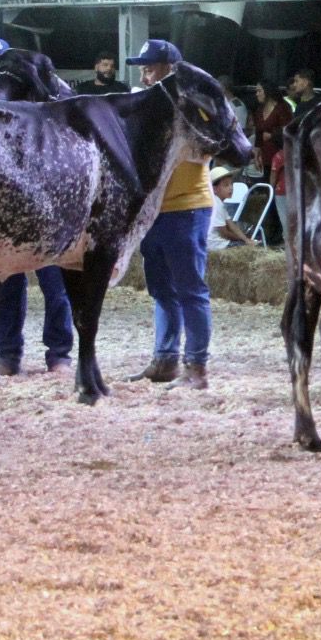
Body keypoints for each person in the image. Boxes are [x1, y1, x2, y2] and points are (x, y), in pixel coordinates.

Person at [125, 38, 214, 390]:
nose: (145, 73)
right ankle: (165, 360)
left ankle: (197, 366)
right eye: (144, 67)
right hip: (156, 209)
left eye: (150, 66)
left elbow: (206, 148)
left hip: (187, 205)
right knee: (162, 289)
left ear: (170, 69)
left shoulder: (196, 105)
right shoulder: (144, 105)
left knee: (190, 288)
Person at [250, 81, 293, 178]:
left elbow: (289, 130)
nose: (257, 94)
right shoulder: (260, 110)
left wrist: (272, 135)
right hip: (265, 157)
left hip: (280, 157)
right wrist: (257, 153)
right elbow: (258, 133)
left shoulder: (282, 108)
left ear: (267, 91)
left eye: (259, 91)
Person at [207, 166, 253, 250]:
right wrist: (243, 239)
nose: (231, 188)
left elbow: (231, 225)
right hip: (216, 245)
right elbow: (224, 233)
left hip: (216, 243)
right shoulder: (216, 205)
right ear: (214, 189)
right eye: (226, 185)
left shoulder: (218, 202)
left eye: (231, 184)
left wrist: (245, 239)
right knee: (247, 249)